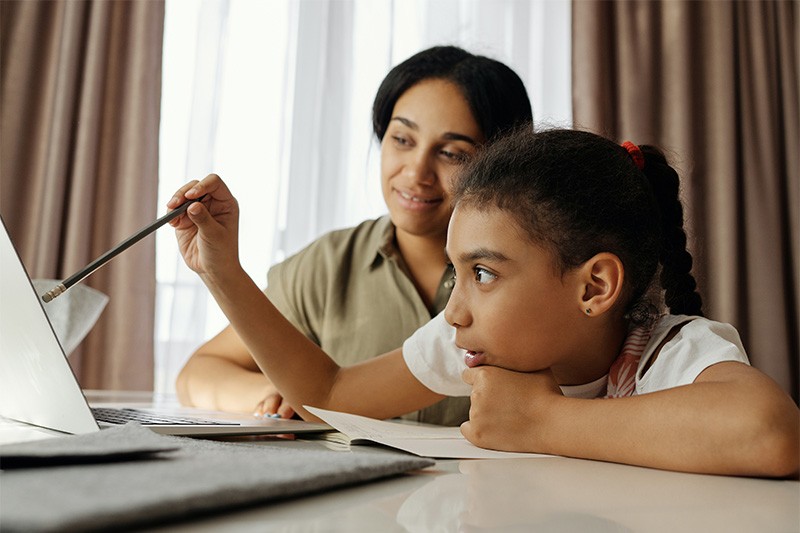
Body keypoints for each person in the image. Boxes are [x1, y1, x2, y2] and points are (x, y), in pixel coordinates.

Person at [169, 127, 799, 477]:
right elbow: (330, 395)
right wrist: (222, 271)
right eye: (456, 273)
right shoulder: (467, 341)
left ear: (594, 287)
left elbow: (771, 433)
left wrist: (545, 422)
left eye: (484, 274)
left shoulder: (670, 349)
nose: (455, 308)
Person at [174, 45, 533, 425]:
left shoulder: (528, 278)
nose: (416, 173)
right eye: (402, 140)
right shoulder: (328, 265)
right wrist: (274, 394)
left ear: (500, 164)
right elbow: (200, 373)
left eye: (451, 153)